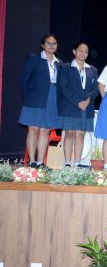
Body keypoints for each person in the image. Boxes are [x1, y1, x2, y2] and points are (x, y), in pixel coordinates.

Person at [19, 34, 63, 169]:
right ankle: (32, 161)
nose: (51, 45)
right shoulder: (34, 59)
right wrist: (29, 96)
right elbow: (24, 79)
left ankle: (40, 162)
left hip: (52, 98)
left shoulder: (59, 63)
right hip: (34, 98)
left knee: (45, 131)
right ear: (42, 45)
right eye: (48, 43)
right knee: (33, 129)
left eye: (54, 43)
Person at [57, 42, 99, 167]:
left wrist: (87, 101)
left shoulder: (93, 69)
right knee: (69, 133)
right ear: (74, 51)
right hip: (70, 105)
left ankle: (78, 163)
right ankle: (67, 163)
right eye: (80, 50)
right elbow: (64, 87)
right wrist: (77, 102)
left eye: (86, 51)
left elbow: (96, 89)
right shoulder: (65, 67)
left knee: (80, 135)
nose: (83, 53)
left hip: (87, 106)